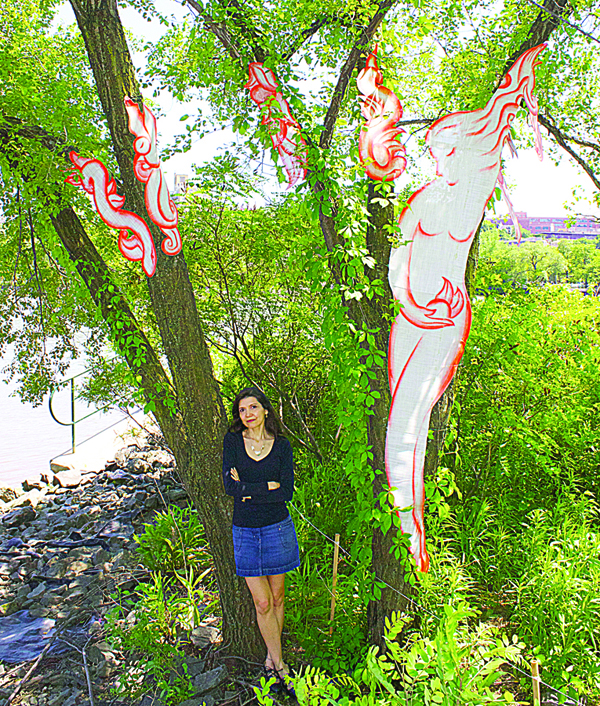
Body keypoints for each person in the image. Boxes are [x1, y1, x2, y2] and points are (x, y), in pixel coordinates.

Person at [222, 386, 299, 695]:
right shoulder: (233, 442)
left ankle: (271, 658)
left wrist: (249, 489)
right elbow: (229, 487)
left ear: (265, 410)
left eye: (253, 407)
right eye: (242, 410)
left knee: (278, 597)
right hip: (245, 530)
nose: (248, 414)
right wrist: (264, 486)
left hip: (277, 527)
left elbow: (286, 492)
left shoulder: (281, 446)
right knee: (262, 600)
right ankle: (281, 667)